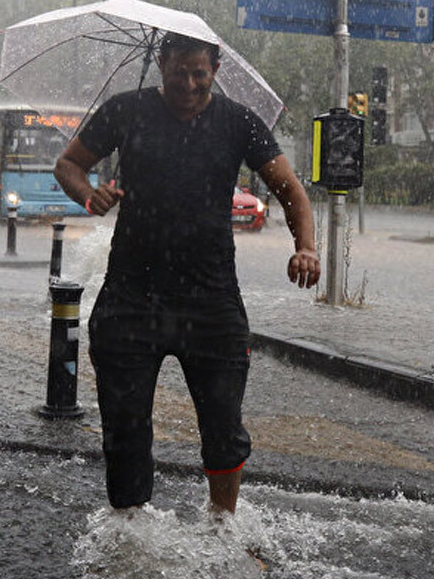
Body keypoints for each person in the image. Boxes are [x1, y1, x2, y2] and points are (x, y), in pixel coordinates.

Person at [54, 32, 320, 518]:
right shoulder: (125, 110)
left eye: (200, 73)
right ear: (162, 64)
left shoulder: (238, 122)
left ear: (215, 70)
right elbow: (68, 164)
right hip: (131, 297)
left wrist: (305, 247)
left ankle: (223, 526)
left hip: (211, 298)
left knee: (223, 427)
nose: (190, 84)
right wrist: (88, 195)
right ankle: (130, 529)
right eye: (181, 72)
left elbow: (291, 191)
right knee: (126, 425)